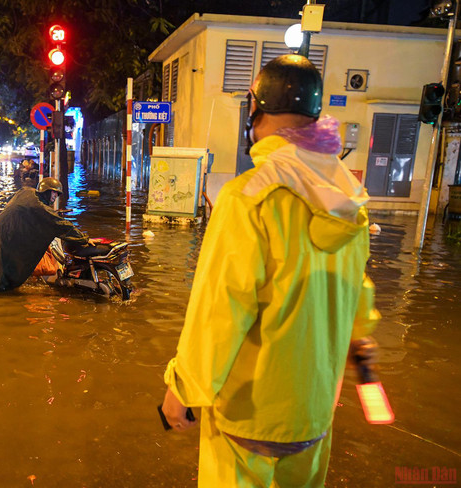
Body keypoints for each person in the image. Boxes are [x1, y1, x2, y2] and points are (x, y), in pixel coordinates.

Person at [161, 54, 381, 487]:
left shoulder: (249, 197)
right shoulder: (349, 196)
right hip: (314, 414)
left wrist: (183, 389)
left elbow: (220, 310)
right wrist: (359, 338)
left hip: (249, 417)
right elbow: (358, 288)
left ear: (256, 112)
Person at [0, 177, 94, 292]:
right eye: (54, 193)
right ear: (46, 191)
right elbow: (62, 225)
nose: (55, 197)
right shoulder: (40, 208)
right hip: (5, 234)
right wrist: (84, 239)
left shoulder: (26, 191)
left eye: (57, 194)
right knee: (1, 271)